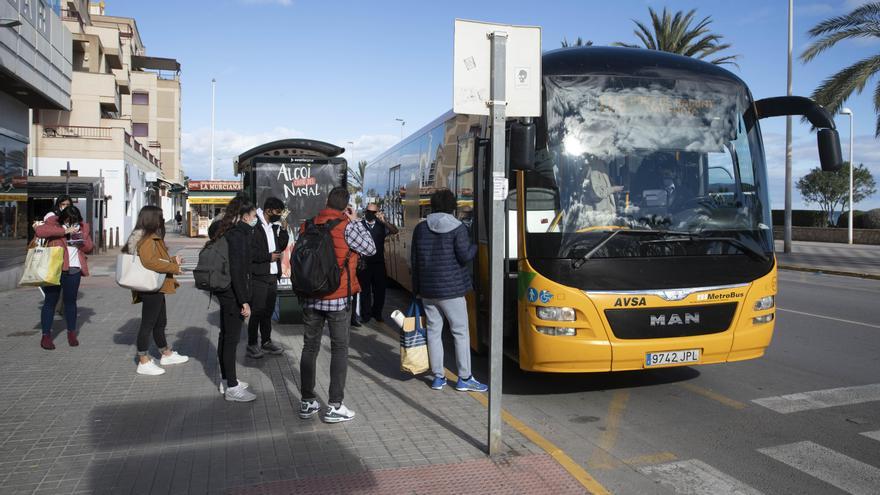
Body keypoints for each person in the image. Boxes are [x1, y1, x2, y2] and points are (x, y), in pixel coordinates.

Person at [299, 187, 375, 423]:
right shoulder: (347, 226)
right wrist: (354, 220)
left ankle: (307, 402)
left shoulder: (308, 224)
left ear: (326, 202)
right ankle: (334, 406)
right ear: (346, 206)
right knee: (339, 349)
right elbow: (371, 249)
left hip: (311, 295)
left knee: (309, 347)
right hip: (338, 296)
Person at [411, 189, 486, 392]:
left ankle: (438, 377)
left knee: (434, 332)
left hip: (428, 290)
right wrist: (476, 247)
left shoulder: (421, 228)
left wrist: (417, 290)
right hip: (452, 290)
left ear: (432, 206)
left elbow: (415, 261)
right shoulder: (458, 228)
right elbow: (464, 256)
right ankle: (464, 378)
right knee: (460, 332)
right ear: (452, 206)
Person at [122, 206, 189, 375]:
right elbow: (150, 262)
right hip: (150, 286)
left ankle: (165, 353)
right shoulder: (148, 239)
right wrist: (174, 267)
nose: (162, 220)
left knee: (160, 322)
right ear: (152, 219)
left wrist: (173, 259)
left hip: (156, 285)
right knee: (148, 323)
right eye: (160, 217)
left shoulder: (149, 237)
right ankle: (143, 360)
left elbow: (156, 259)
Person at [209, 199, 258, 402]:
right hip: (232, 293)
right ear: (246, 216)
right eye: (255, 216)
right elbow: (238, 271)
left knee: (225, 336)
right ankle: (232, 387)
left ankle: (226, 378)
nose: (256, 220)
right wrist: (244, 301)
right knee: (231, 340)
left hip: (225, 291)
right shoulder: (238, 235)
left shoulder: (226, 230)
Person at [34, 206, 94, 350]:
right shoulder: (54, 223)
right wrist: (64, 231)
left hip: (73, 270)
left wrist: (80, 240)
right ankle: (46, 336)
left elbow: (89, 248)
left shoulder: (82, 227)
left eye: (75, 221)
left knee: (70, 302)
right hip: (55, 269)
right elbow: (39, 231)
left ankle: (71, 333)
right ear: (63, 218)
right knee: (50, 301)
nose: (72, 224)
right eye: (68, 221)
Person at [245, 197, 289, 359]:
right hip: (259, 275)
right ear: (269, 211)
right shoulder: (254, 224)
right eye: (278, 212)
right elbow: (249, 251)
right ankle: (251, 344)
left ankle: (266, 341)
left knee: (268, 311)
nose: (279, 215)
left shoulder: (272, 226)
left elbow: (281, 246)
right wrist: (267, 257)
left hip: (272, 275)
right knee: (257, 311)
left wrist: (283, 230)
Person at [357, 203, 398, 324]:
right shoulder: (360, 225)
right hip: (364, 263)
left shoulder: (381, 225)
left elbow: (394, 231)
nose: (370, 214)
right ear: (365, 212)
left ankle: (377, 313)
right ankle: (366, 314)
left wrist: (384, 221)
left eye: (373, 212)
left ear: (377, 213)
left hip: (378, 263)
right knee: (365, 291)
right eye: (368, 212)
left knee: (380, 290)